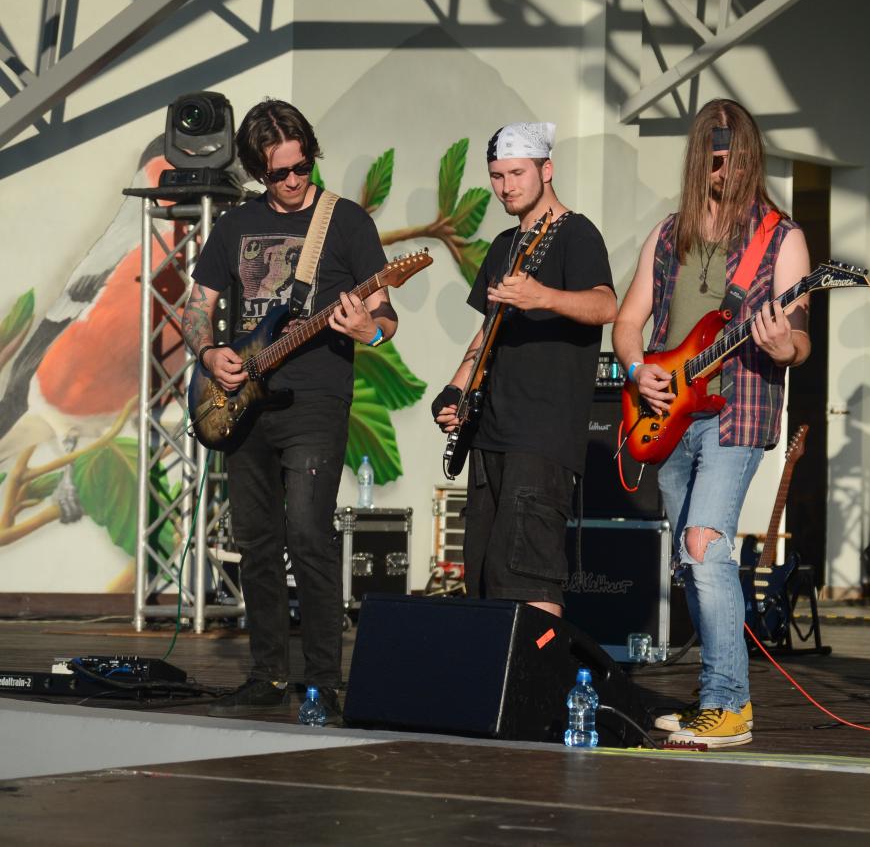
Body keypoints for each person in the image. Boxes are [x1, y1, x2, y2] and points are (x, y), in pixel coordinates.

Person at [183, 99, 398, 720]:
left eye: (303, 166)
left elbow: (385, 319)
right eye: (280, 173)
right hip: (243, 400)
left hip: (316, 400)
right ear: (258, 171)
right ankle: (268, 673)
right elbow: (197, 309)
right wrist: (209, 353)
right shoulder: (235, 225)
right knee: (256, 541)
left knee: (308, 533)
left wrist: (366, 330)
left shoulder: (346, 222)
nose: (295, 180)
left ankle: (324, 679)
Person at [612, 99, 811, 748]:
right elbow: (627, 320)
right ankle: (713, 697)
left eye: (742, 158)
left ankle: (729, 705)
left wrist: (783, 345)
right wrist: (637, 367)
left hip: (738, 412)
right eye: (720, 159)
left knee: (704, 543)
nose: (732, 170)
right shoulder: (668, 234)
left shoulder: (781, 237)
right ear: (702, 158)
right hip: (668, 414)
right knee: (689, 559)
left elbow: (799, 340)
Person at [431, 123, 615, 617]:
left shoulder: (577, 233)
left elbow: (606, 305)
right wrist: (455, 389)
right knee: (484, 575)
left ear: (545, 170)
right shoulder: (503, 244)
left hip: (542, 434)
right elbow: (488, 331)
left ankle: (539, 670)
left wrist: (542, 296)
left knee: (529, 574)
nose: (506, 186)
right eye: (497, 176)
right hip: (489, 432)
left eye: (517, 173)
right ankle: (497, 670)